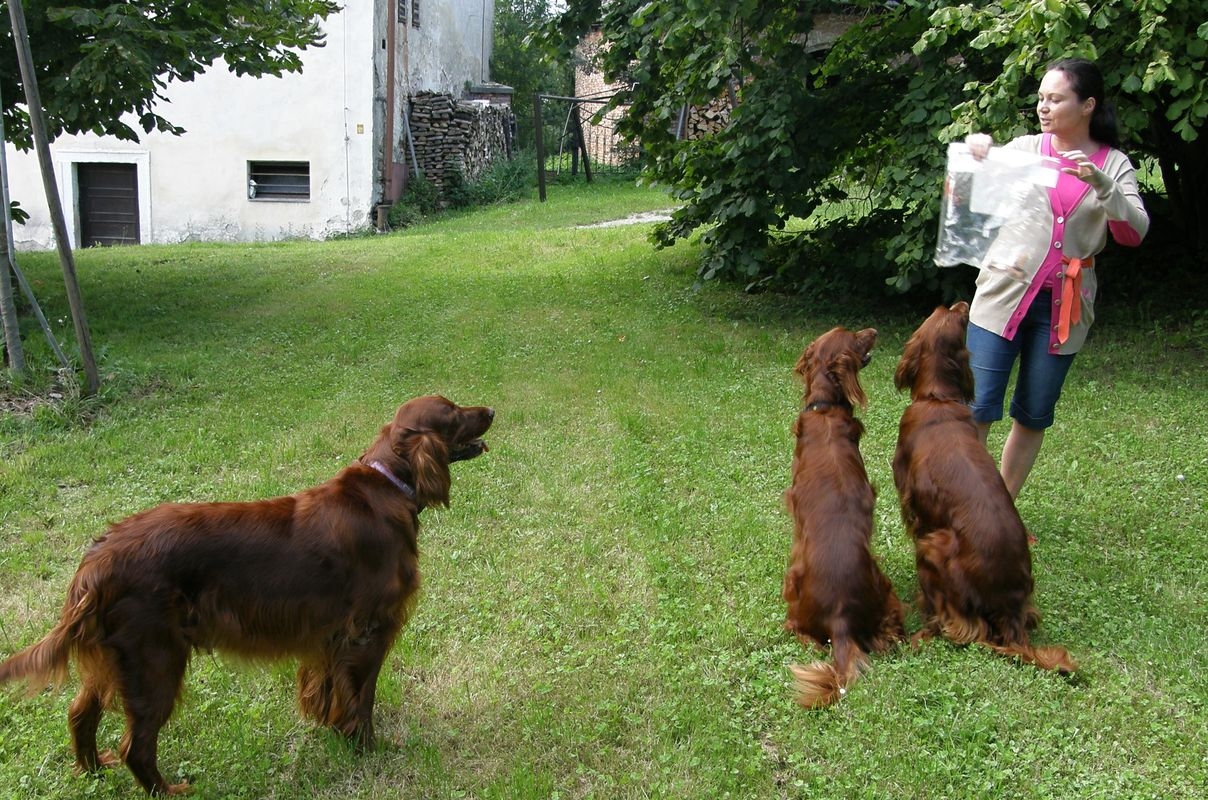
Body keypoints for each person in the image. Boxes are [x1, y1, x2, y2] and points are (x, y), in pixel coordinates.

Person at [964, 58, 1149, 501]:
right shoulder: (1027, 149)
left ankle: (1003, 509)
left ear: (1087, 104)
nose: (1043, 107)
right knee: (976, 407)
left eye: (1055, 98)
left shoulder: (1115, 163)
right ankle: (965, 508)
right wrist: (980, 152)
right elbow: (978, 196)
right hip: (1002, 297)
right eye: (1041, 98)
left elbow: (1133, 232)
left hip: (1065, 309)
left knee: (1033, 413)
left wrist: (1103, 185)